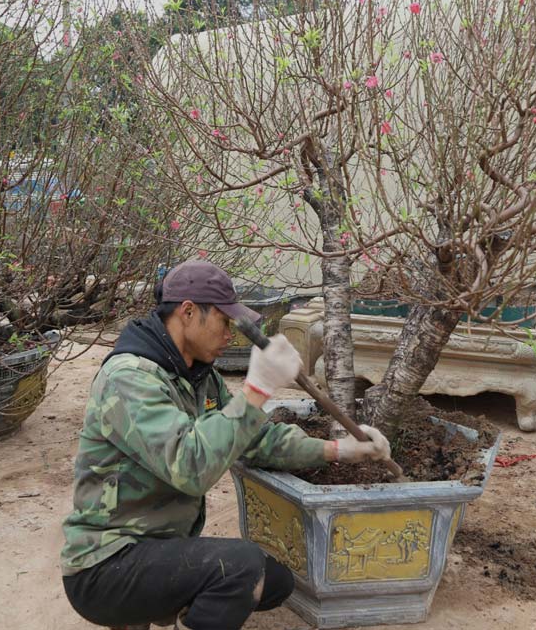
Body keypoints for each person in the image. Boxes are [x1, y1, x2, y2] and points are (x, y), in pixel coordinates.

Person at [60, 259, 392, 630]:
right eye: (223, 322)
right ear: (188, 312)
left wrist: (339, 449)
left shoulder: (200, 376)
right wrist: (255, 389)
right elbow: (190, 468)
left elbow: (257, 438)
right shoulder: (129, 378)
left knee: (274, 582)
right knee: (239, 568)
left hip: (157, 546)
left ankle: (153, 608)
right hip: (106, 562)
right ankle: (135, 613)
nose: (230, 336)